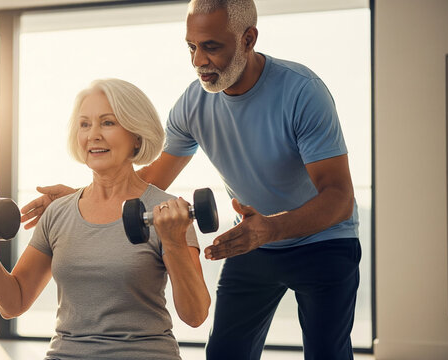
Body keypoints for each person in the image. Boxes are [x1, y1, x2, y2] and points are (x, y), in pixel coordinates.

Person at [20, 0, 361, 359]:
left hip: (323, 240)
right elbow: (150, 180)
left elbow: (339, 197)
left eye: (212, 46)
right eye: (192, 47)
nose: (199, 60)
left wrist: (271, 229)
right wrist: (81, 196)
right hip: (254, 240)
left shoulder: (302, 92)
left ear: (248, 39)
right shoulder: (192, 105)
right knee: (225, 354)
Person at [0, 78, 211, 360]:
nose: (93, 135)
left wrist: (173, 243)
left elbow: (196, 315)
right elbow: (13, 303)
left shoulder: (167, 213)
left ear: (136, 136)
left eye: (108, 123)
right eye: (85, 124)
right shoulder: (58, 212)